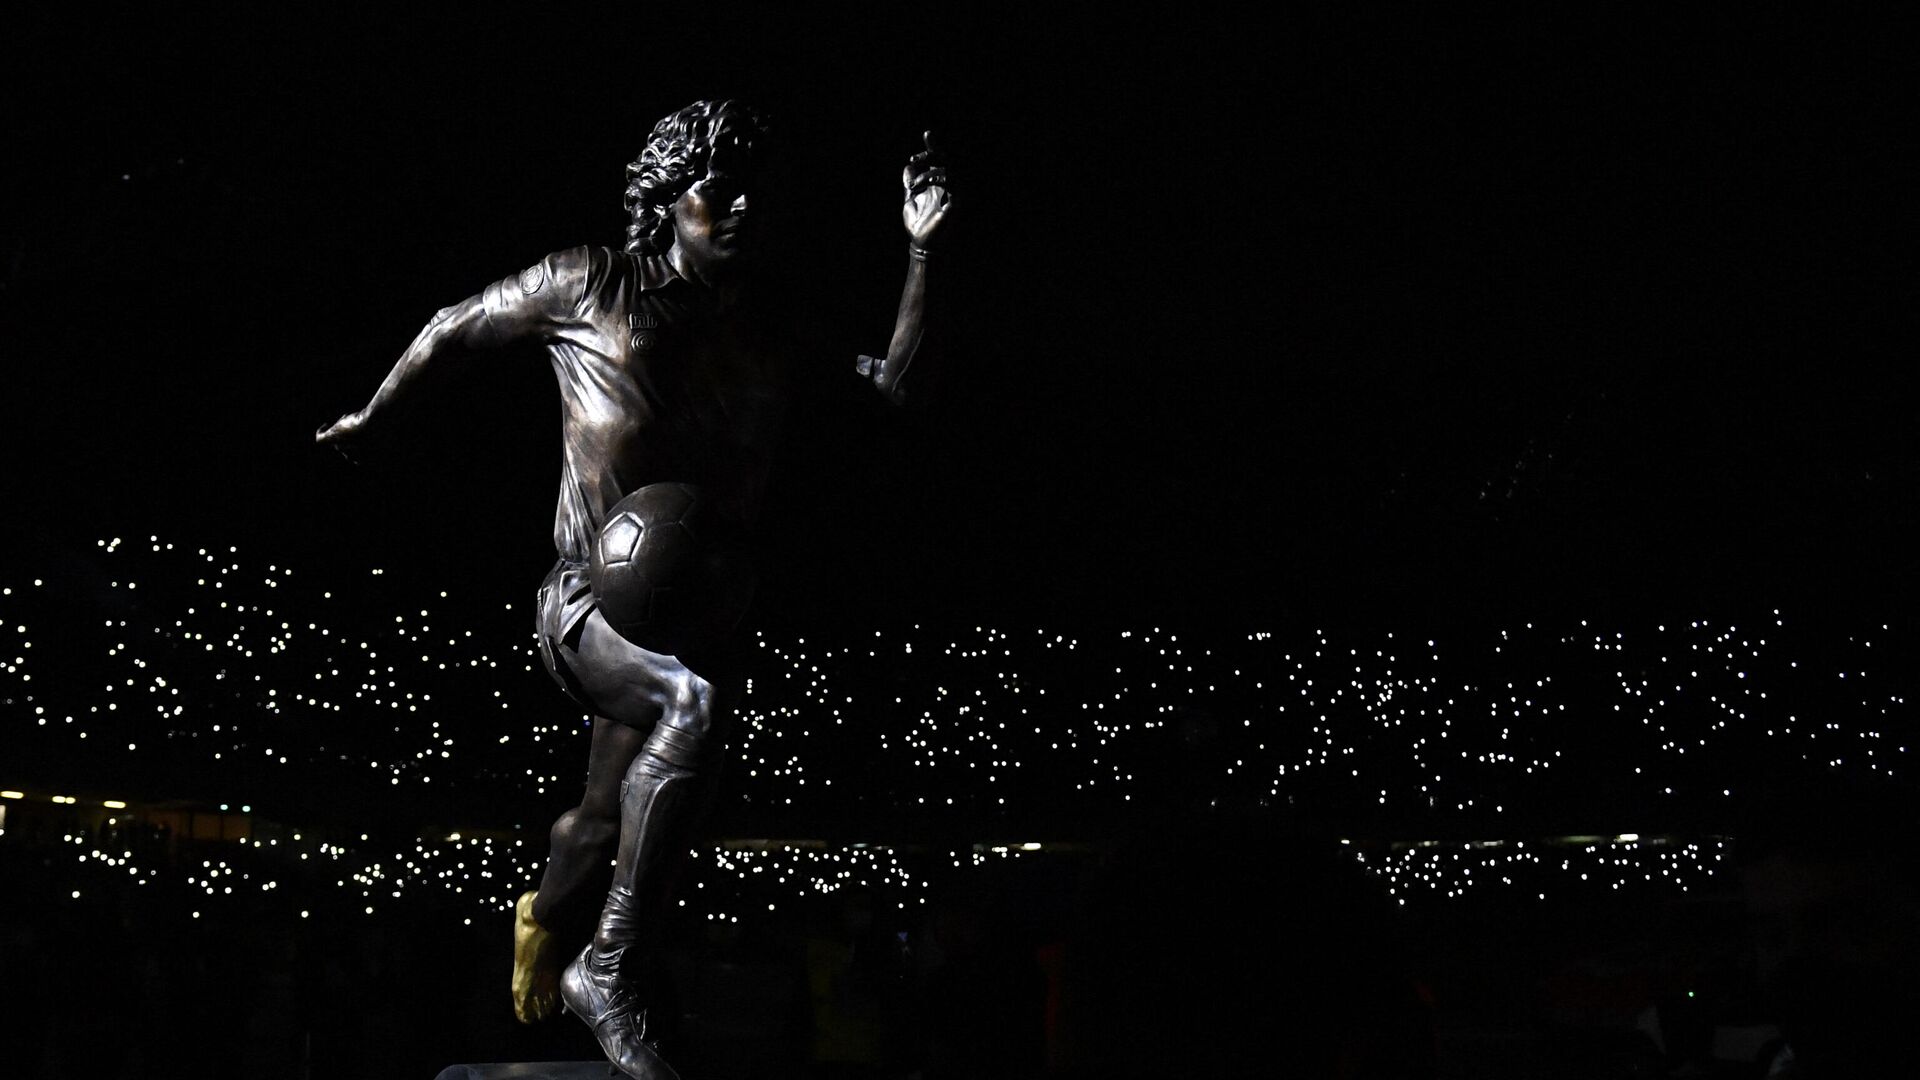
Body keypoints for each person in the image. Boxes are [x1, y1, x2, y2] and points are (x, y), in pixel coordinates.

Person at [317, 99, 952, 1080]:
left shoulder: (767, 324)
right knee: (691, 708)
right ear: (665, 202)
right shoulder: (589, 282)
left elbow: (891, 390)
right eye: (717, 191)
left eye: (754, 192)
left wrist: (920, 253)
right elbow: (454, 325)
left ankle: (547, 911)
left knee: (604, 815)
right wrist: (374, 416)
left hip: (692, 612)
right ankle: (610, 972)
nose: (742, 208)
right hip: (582, 603)